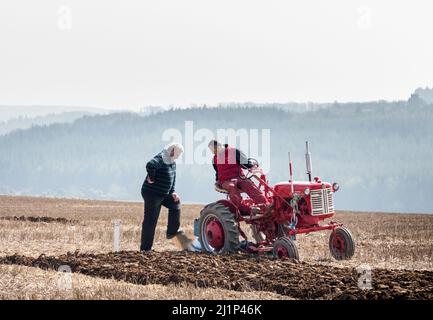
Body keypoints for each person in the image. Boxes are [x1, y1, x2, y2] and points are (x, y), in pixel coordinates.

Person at [140, 143, 184, 251]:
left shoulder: (172, 162)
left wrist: (173, 192)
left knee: (175, 203)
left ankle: (171, 232)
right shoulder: (162, 157)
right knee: (151, 220)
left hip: (164, 194)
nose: (178, 156)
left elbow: (173, 178)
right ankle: (145, 249)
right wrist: (151, 178)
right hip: (152, 193)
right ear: (172, 151)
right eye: (177, 153)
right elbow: (150, 165)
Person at [208, 140, 269, 215]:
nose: (213, 152)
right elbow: (217, 172)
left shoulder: (234, 151)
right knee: (231, 187)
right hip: (225, 181)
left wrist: (253, 167)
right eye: (211, 151)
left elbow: (245, 163)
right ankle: (245, 209)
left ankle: (265, 206)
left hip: (238, 177)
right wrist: (217, 181)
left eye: (214, 150)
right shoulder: (214, 159)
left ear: (219, 146)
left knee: (249, 185)